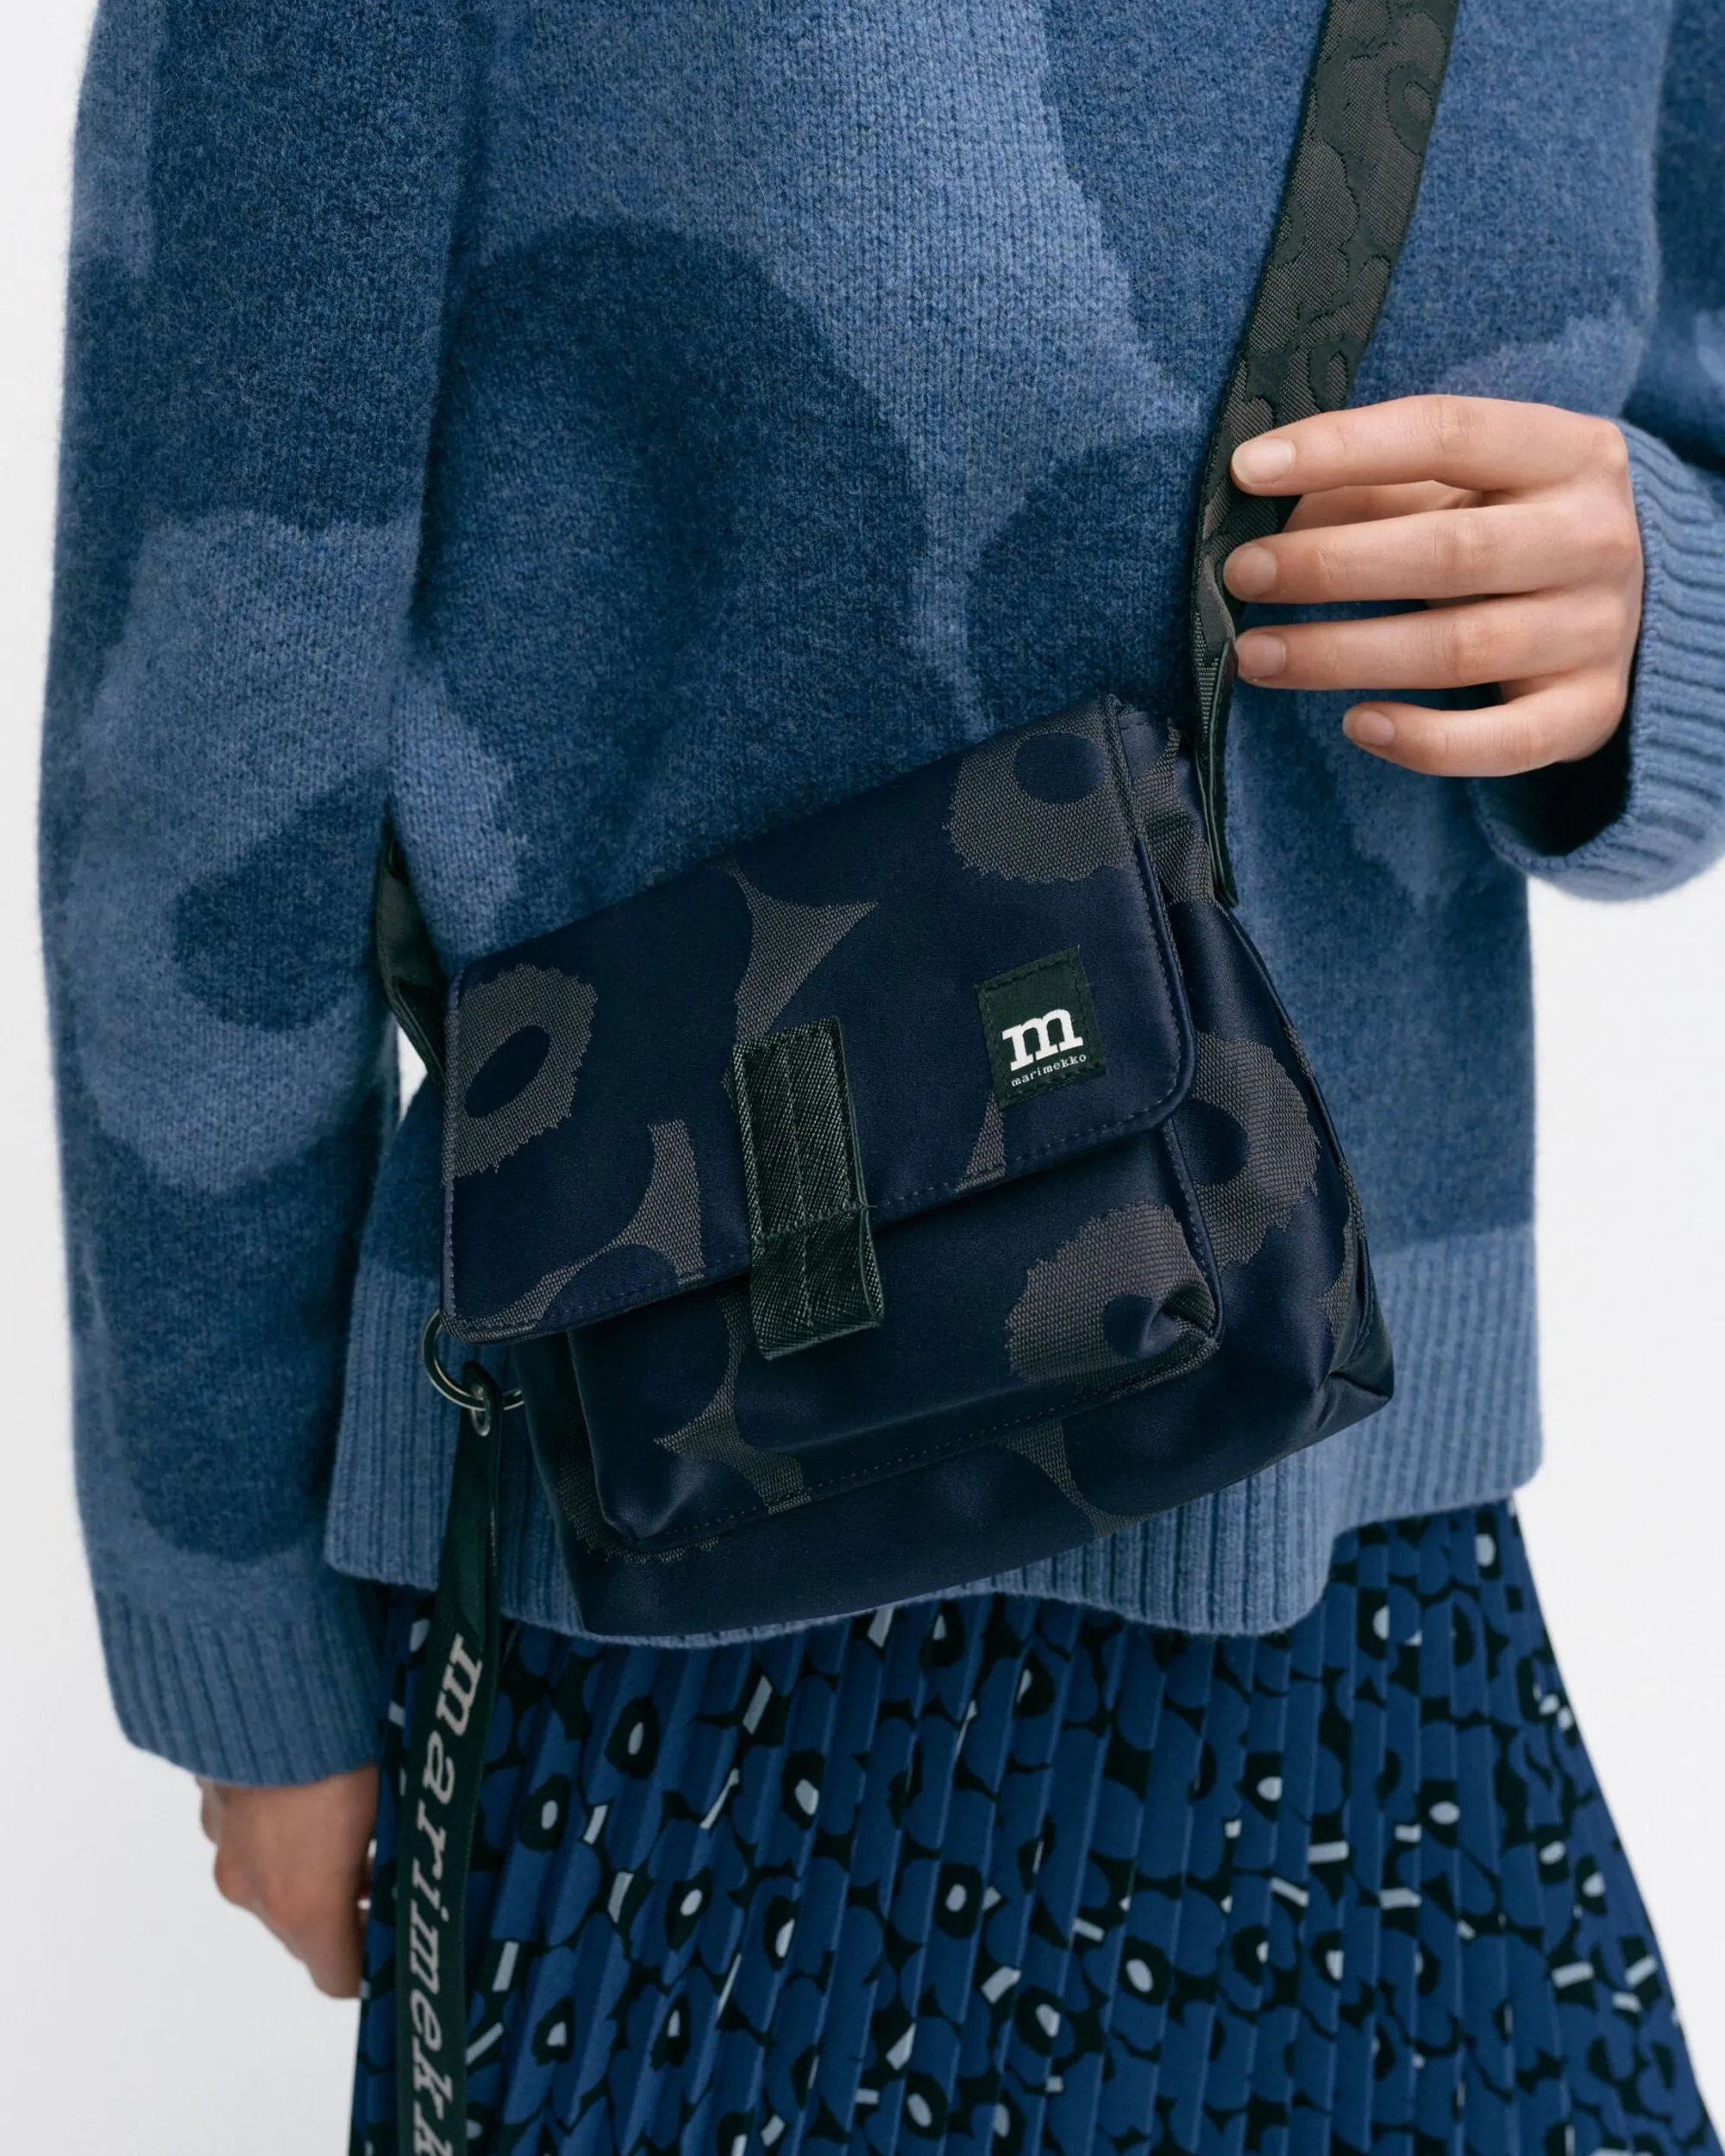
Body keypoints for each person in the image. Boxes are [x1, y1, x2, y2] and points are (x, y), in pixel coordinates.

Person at [41, 1, 1724, 2148]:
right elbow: (206, 743)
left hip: (1379, 1585)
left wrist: (1665, 613)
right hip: (673, 1634)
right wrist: (238, 1620)